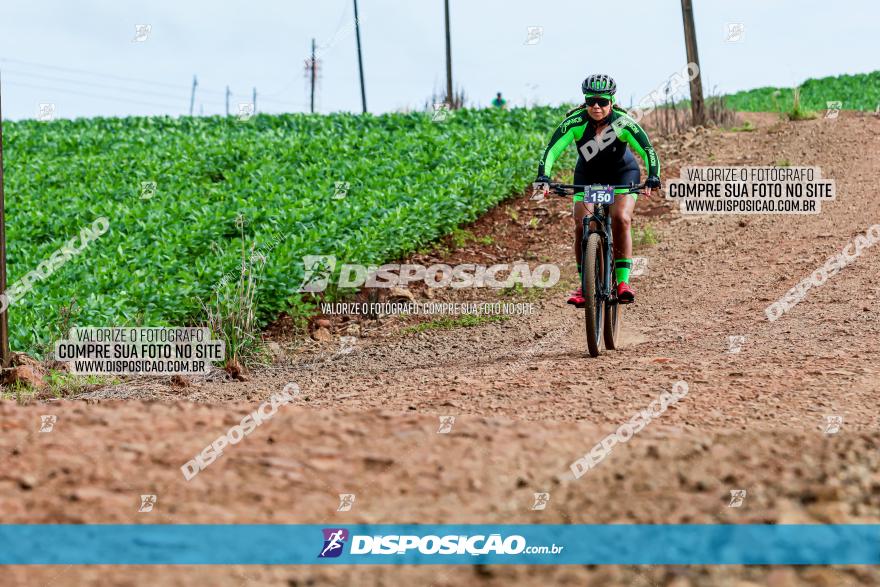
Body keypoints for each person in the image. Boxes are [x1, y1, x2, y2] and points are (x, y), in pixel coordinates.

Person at [533, 74, 660, 306]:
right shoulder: (576, 121)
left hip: (622, 175)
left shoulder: (622, 122)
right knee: (582, 225)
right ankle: (584, 286)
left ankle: (622, 282)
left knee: (620, 218)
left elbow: (647, 149)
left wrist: (653, 176)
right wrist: (544, 176)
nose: (596, 106)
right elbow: (551, 150)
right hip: (588, 177)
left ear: (611, 101)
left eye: (602, 101)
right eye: (591, 101)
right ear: (585, 101)